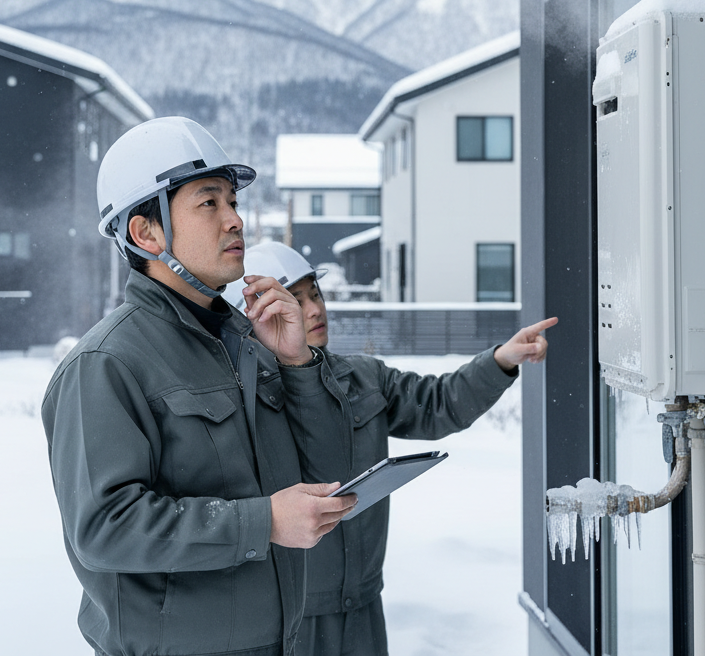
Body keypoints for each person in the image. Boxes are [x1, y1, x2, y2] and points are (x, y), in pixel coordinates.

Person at [41, 118, 357, 656]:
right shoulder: (106, 364)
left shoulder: (250, 343)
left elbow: (325, 468)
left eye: (233, 202)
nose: (236, 220)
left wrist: (299, 363)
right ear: (146, 233)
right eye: (209, 203)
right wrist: (263, 522)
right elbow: (104, 528)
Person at [224, 241, 557, 656]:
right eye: (295, 299)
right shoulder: (245, 397)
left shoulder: (362, 377)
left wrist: (501, 360)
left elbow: (436, 403)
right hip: (290, 617)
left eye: (315, 294)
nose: (313, 310)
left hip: (363, 605)